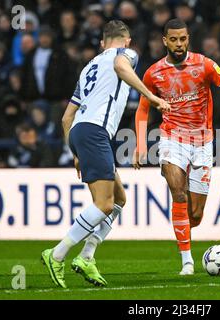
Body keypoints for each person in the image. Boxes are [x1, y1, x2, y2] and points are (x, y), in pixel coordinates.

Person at [41, 20, 169, 288]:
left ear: (102, 42)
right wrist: (151, 96)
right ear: (127, 40)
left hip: (81, 133)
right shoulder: (126, 54)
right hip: (96, 132)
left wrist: (75, 150)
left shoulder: (89, 66)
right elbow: (122, 66)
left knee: (119, 199)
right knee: (105, 204)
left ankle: (87, 256)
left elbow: (66, 118)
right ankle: (57, 254)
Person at [133, 19, 220, 275]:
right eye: (174, 39)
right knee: (177, 192)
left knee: (195, 215)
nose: (178, 44)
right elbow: (142, 109)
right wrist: (139, 144)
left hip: (203, 143)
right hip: (172, 139)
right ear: (165, 41)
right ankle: (187, 262)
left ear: (188, 38)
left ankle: (184, 232)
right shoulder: (153, 73)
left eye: (183, 39)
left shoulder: (204, 64)